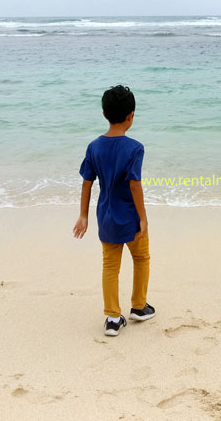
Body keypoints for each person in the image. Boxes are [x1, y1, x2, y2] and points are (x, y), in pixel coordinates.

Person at [73, 85, 155, 336]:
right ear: (131, 115)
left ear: (104, 114)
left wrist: (83, 215)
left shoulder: (94, 147)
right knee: (141, 258)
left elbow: (87, 182)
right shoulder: (135, 148)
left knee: (110, 265)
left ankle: (112, 318)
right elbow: (134, 185)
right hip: (129, 217)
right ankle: (139, 307)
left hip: (105, 216)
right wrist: (143, 218)